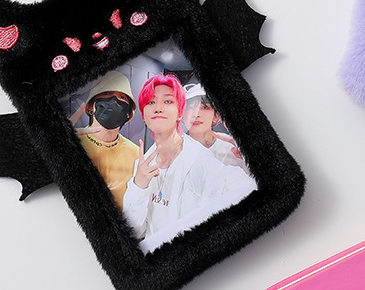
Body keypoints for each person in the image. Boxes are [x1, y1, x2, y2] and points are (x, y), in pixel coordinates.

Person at [121, 74, 257, 253]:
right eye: (151, 102)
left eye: (167, 101)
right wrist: (139, 185)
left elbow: (248, 194)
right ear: (144, 116)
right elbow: (133, 231)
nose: (158, 108)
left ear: (179, 112)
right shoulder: (142, 164)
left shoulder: (201, 160)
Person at [69, 69, 139, 209]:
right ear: (91, 105)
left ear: (128, 113)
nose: (113, 101)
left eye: (122, 97)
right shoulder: (72, 143)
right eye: (106, 93)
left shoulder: (136, 154)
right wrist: (57, 142)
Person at [182, 83, 251, 174]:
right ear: (183, 115)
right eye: (190, 108)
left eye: (204, 107)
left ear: (216, 116)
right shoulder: (172, 150)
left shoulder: (233, 148)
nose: (196, 114)